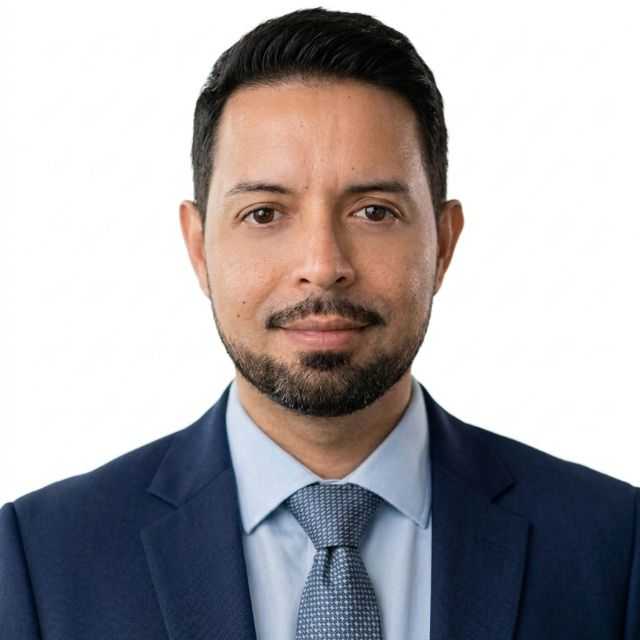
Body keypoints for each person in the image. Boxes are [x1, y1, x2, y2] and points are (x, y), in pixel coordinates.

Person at [1, 7, 638, 639]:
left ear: (443, 244)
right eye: (264, 213)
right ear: (199, 248)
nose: (323, 266)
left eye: (374, 211)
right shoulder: (38, 559)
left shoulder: (613, 545)